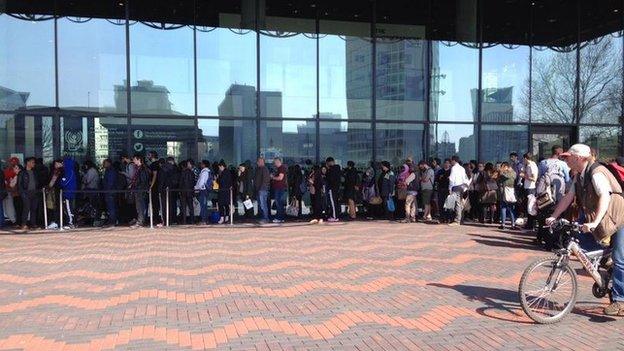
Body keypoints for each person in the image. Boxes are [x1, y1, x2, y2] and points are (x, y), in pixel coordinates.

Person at [545, 144, 624, 316]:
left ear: (579, 158)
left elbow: (605, 196)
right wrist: (554, 216)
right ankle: (606, 262)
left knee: (620, 257)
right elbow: (568, 197)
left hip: (619, 217)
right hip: (600, 218)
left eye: (568, 156)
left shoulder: (596, 173)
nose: (565, 159)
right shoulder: (578, 176)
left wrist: (594, 222)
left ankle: (620, 301)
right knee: (581, 245)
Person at [447, 155, 469, 226]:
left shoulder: (454, 168)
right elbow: (465, 179)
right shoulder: (462, 168)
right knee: (459, 203)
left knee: (456, 204)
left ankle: (457, 220)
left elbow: (451, 179)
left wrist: (450, 188)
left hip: (455, 187)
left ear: (453, 160)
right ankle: (460, 219)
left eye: (451, 161)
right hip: (461, 187)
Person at [18, 157, 39, 230]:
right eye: (32, 162)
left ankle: (33, 224)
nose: (34, 164)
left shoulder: (35, 172)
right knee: (26, 208)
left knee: (34, 209)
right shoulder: (22, 172)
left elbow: (37, 182)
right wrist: (22, 193)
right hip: (25, 193)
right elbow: (19, 184)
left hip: (34, 193)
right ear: (28, 163)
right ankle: (23, 224)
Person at [129, 154, 150, 228]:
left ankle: (141, 222)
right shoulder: (139, 168)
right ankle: (140, 221)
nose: (133, 161)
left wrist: (138, 187)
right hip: (138, 190)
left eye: (134, 159)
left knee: (141, 206)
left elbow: (143, 181)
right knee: (139, 206)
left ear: (139, 160)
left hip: (140, 190)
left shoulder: (142, 169)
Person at [521, 152, 539, 230]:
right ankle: (529, 223)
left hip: (531, 188)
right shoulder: (527, 165)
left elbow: (534, 178)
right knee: (527, 207)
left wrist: (524, 176)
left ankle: (531, 224)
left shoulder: (532, 165)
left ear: (525, 158)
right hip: (527, 187)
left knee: (530, 206)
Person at [498, 162, 517, 230]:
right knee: (508, 208)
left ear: (506, 167)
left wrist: (501, 172)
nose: (502, 168)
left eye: (503, 167)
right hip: (509, 192)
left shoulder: (509, 174)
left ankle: (505, 224)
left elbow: (501, 179)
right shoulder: (513, 173)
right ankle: (511, 224)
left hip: (507, 191)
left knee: (506, 208)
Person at [194, 160, 213, 225]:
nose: (200, 165)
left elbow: (201, 182)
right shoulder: (207, 172)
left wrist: (197, 188)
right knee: (204, 205)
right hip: (205, 190)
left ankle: (203, 220)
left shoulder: (204, 172)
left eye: (202, 164)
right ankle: (205, 219)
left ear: (204, 165)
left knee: (203, 205)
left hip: (203, 190)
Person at [271, 157, 288, 223]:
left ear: (279, 161)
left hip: (280, 188)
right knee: (279, 203)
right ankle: (280, 217)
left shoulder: (281, 168)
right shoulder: (279, 168)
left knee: (279, 203)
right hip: (279, 188)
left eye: (275, 162)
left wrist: (273, 177)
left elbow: (280, 178)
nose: (274, 163)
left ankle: (279, 218)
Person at [254, 157, 270, 224]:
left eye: (260, 161)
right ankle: (262, 217)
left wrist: (261, 188)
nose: (258, 162)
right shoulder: (258, 169)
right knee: (261, 205)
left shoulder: (264, 169)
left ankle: (266, 218)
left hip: (262, 190)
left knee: (263, 205)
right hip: (259, 190)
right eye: (258, 161)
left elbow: (266, 180)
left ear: (263, 162)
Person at [178, 160, 195, 225]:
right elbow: (193, 183)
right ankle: (192, 220)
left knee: (183, 207)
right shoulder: (192, 173)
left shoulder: (183, 172)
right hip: (190, 191)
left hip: (183, 192)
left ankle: (184, 221)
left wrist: (180, 190)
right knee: (191, 207)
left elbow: (181, 183)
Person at [102, 159, 118, 227]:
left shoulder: (110, 171)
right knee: (110, 207)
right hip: (109, 191)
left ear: (108, 163)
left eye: (104, 163)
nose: (103, 164)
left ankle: (112, 221)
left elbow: (110, 182)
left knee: (111, 207)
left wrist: (107, 189)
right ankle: (112, 221)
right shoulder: (108, 170)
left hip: (110, 191)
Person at [325, 157, 341, 222]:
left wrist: (328, 170)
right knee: (335, 202)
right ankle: (334, 215)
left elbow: (330, 179)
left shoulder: (331, 170)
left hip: (332, 188)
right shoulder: (338, 168)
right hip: (336, 188)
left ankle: (335, 216)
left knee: (333, 203)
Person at [147, 151, 160, 226]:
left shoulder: (154, 164)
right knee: (155, 204)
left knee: (155, 203)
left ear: (152, 156)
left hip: (154, 187)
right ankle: (155, 218)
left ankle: (156, 219)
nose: (148, 157)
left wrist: (151, 185)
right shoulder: (154, 164)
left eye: (149, 155)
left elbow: (155, 175)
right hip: (155, 186)